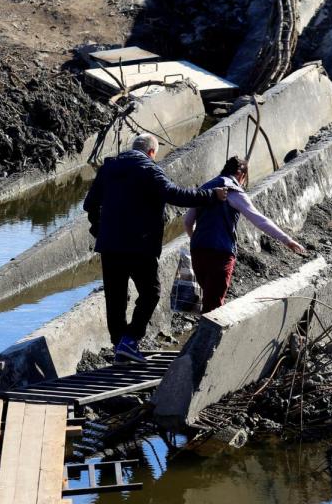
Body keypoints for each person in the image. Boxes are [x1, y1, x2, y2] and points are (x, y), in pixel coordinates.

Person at [84, 133, 228, 363]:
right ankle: (130, 339)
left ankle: (120, 346)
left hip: (110, 247)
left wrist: (99, 229)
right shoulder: (149, 169)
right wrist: (211, 195)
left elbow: (89, 204)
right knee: (151, 293)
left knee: (115, 297)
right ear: (151, 152)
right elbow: (176, 195)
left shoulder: (109, 168)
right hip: (139, 246)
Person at [184, 156, 306, 313]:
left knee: (208, 299)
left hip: (198, 252)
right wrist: (287, 240)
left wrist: (195, 241)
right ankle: (207, 328)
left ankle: (203, 326)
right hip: (220, 255)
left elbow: (187, 222)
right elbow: (259, 220)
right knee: (213, 307)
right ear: (241, 175)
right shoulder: (233, 192)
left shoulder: (205, 189)